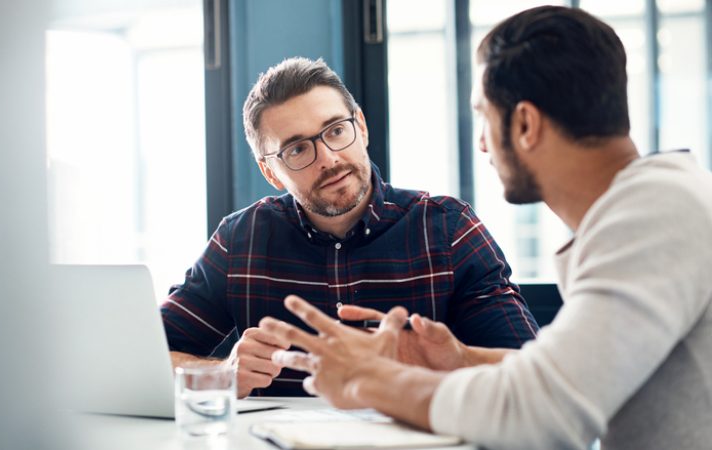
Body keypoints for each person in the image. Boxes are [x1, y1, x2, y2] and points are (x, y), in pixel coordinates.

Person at [260, 6, 712, 449]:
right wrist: (461, 358)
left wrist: (372, 381)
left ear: (525, 124)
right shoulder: (654, 207)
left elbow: (543, 412)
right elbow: (574, 373)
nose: (480, 143)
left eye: (483, 116)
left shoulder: (655, 215)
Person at [160, 57, 539, 398]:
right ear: (269, 172)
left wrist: (448, 360)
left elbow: (530, 374)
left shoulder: (449, 229)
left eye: (336, 130)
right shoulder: (239, 241)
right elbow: (145, 360)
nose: (328, 158)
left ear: (361, 125)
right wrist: (220, 374)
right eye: (297, 149)